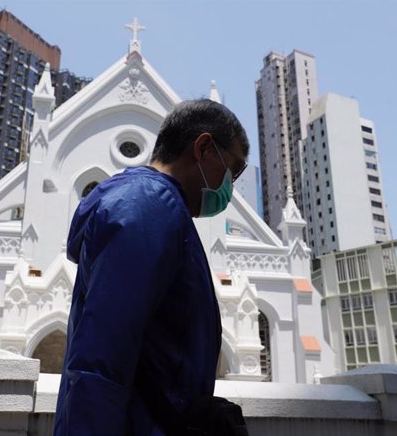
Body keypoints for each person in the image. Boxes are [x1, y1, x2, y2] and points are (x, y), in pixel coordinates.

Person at [54, 99, 250, 435]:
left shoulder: (158, 208)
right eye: (234, 170)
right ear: (203, 148)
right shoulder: (147, 207)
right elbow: (103, 360)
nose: (230, 186)